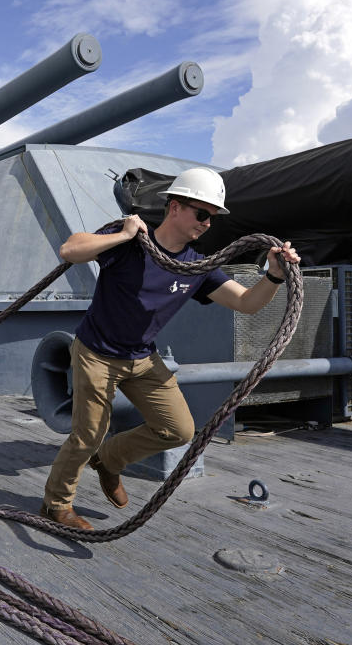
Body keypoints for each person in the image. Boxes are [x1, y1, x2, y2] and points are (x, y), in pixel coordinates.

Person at [39, 167, 301, 530]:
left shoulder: (196, 266)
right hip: (97, 353)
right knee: (87, 434)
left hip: (143, 358)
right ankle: (57, 505)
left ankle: (109, 461)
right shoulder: (127, 240)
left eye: (212, 217)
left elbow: (247, 303)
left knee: (178, 430)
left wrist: (273, 274)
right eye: (202, 213)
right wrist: (122, 235)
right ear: (175, 207)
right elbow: (70, 249)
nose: (207, 223)